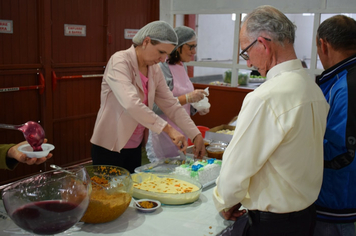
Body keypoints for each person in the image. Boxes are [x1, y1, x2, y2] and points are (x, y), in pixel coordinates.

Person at [212, 5, 329, 236]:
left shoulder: (266, 97)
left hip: (273, 225)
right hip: (305, 216)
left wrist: (224, 202)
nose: (248, 63)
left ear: (263, 44)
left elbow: (237, 167)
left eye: (246, 53)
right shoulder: (312, 89)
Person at [90, 21, 205, 173]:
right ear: (146, 42)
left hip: (135, 146)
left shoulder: (154, 69)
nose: (163, 59)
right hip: (110, 146)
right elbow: (131, 104)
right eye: (161, 52)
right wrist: (167, 128)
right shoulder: (119, 61)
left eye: (167, 54)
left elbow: (171, 104)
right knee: (109, 193)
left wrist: (195, 134)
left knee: (131, 192)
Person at [313, 15, 356, 236]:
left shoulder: (346, 85)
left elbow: (344, 151)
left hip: (339, 203)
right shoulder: (339, 78)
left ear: (324, 44)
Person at [145, 26, 209, 162]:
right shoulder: (160, 67)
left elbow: (183, 105)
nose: (194, 51)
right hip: (164, 135)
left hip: (182, 131)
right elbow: (154, 107)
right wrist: (187, 98)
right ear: (177, 46)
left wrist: (195, 106)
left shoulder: (182, 66)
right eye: (191, 47)